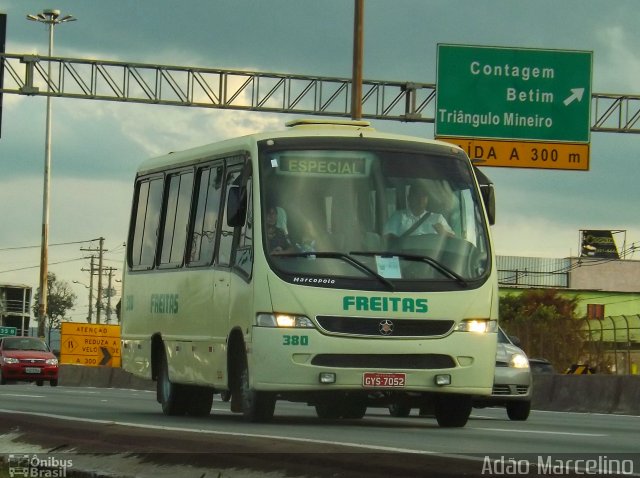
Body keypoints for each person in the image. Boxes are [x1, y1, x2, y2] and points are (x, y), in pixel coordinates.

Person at [383, 184, 454, 239]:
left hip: (432, 257)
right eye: (417, 195)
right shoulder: (398, 216)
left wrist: (444, 233)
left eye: (423, 196)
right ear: (409, 198)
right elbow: (387, 238)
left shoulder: (438, 218)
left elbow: (454, 240)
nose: (420, 199)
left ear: (427, 199)